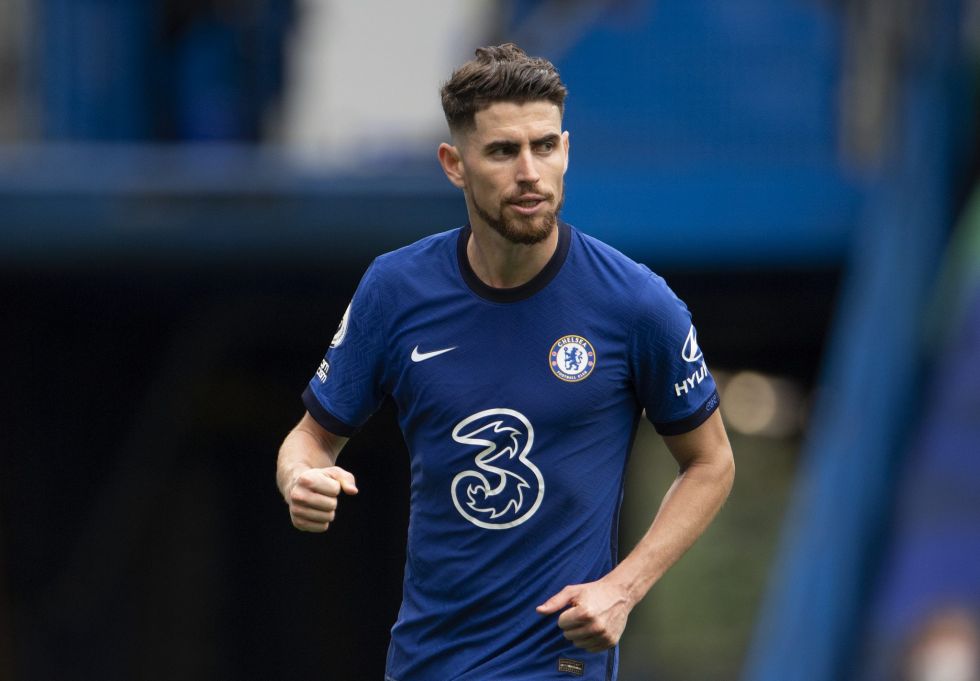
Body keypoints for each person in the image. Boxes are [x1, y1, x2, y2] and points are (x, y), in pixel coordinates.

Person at [276, 43, 735, 681]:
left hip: (557, 664)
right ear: (454, 165)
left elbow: (711, 463)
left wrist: (624, 588)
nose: (529, 172)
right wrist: (299, 478)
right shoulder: (395, 289)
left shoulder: (637, 304)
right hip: (427, 663)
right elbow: (311, 439)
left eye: (544, 147)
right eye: (502, 151)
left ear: (566, 150)